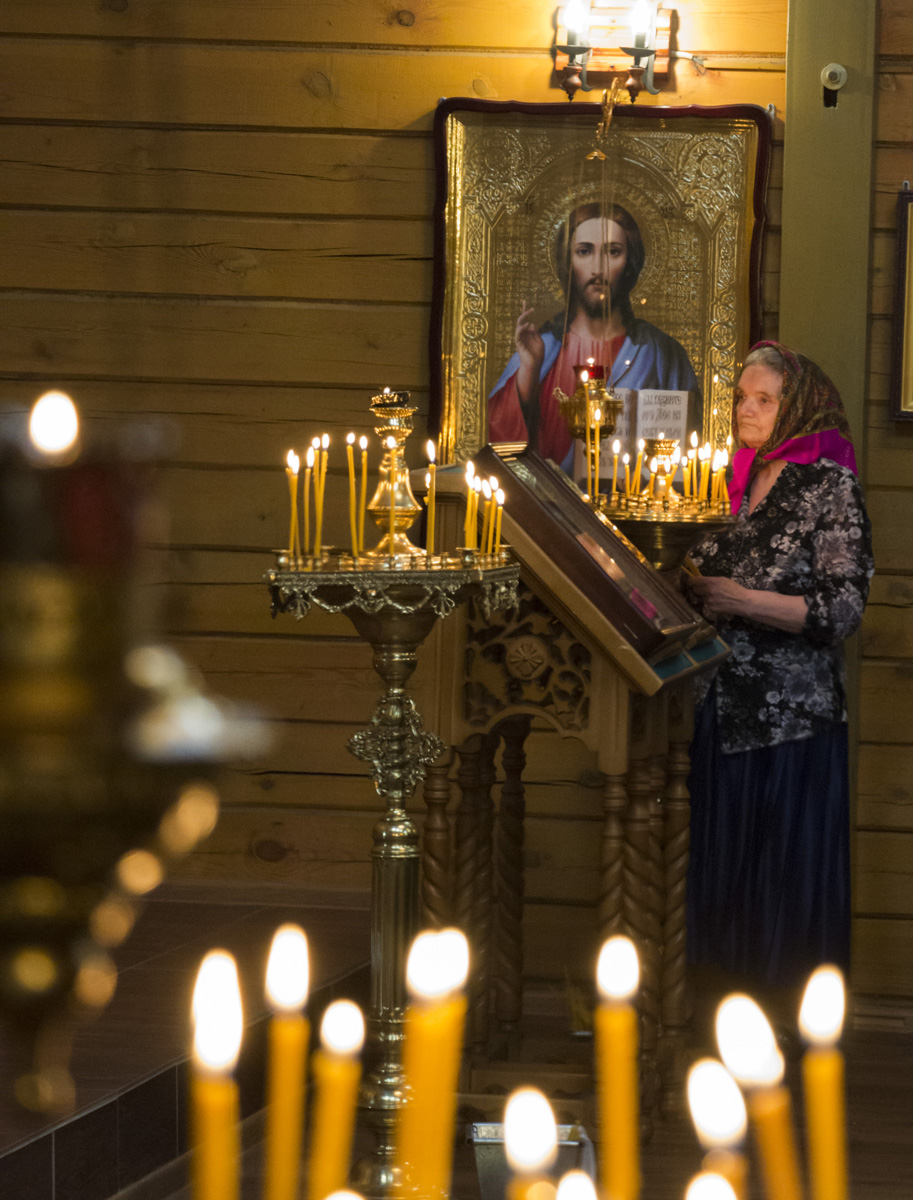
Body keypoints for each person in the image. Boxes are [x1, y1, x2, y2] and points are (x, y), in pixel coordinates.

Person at [684, 341, 874, 1004]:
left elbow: (841, 609)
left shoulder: (828, 487)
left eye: (764, 400)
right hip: (718, 708)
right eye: (741, 397)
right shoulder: (726, 480)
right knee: (720, 875)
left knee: (783, 882)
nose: (746, 409)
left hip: (792, 723)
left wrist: (740, 601)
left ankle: (788, 1024)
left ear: (798, 409)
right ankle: (714, 1016)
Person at [487, 201, 699, 465]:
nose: (598, 269)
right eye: (584, 251)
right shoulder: (543, 349)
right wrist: (529, 370)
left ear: (630, 263)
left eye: (613, 251)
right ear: (568, 262)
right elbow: (501, 445)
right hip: (547, 492)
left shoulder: (661, 354)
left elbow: (688, 445)